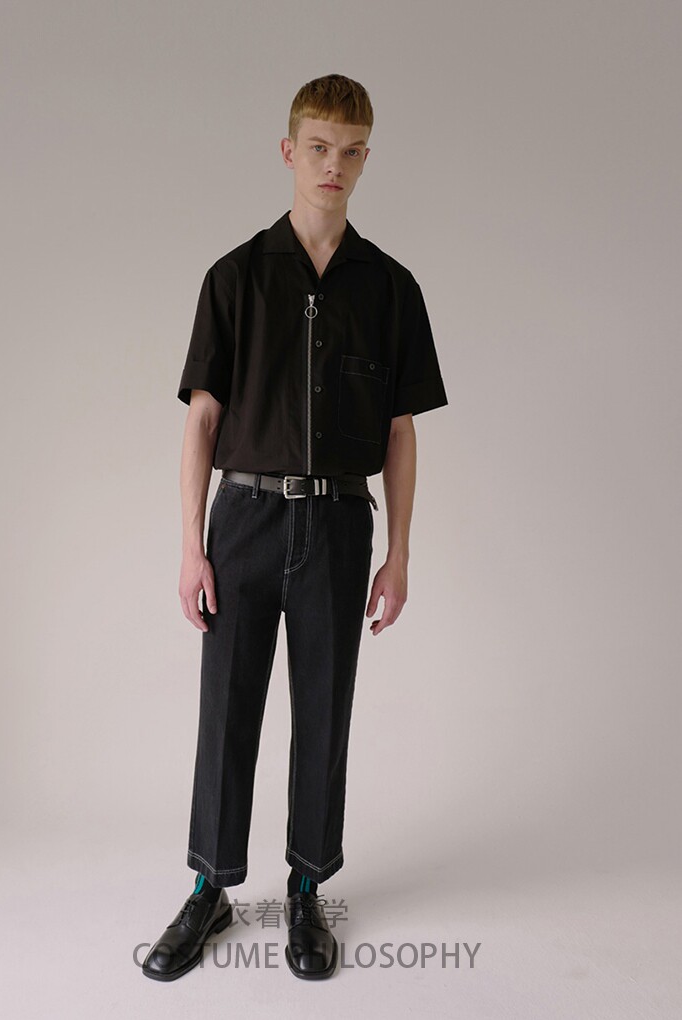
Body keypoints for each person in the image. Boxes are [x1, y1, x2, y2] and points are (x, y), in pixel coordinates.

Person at [142, 73, 448, 983]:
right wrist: (191, 546)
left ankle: (309, 887)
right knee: (226, 709)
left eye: (350, 151)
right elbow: (202, 420)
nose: (332, 166)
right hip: (243, 519)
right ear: (289, 151)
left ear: (366, 158)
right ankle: (210, 888)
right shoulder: (234, 277)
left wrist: (399, 553)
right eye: (317, 147)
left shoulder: (390, 288)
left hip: (341, 523)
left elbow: (400, 431)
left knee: (324, 710)